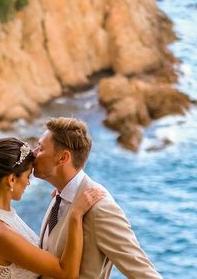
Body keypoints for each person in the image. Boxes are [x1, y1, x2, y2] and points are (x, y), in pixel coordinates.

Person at [34, 117, 162, 279]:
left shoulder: (100, 208)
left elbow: (143, 272)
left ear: (63, 158)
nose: (33, 153)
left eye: (40, 148)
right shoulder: (59, 195)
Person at [0, 137, 105, 279]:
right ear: (12, 180)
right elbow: (67, 274)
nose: (28, 183)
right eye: (28, 176)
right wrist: (75, 215)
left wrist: (62, 196)